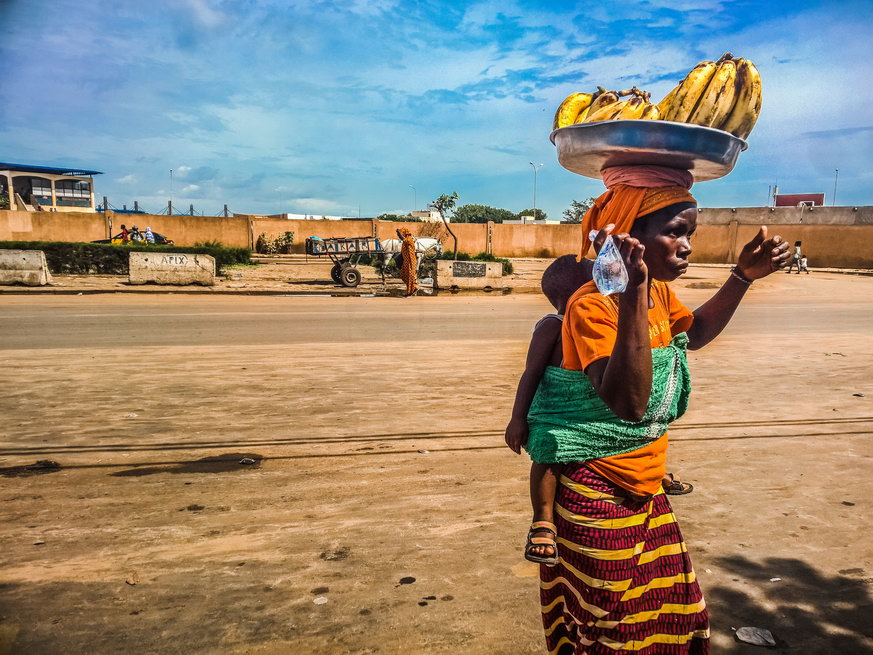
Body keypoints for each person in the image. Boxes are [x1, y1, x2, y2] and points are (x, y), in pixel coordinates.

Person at [536, 165, 789, 655]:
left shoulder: (657, 293)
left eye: (689, 233)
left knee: (676, 611)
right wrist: (630, 292)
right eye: (676, 232)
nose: (687, 245)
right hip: (597, 492)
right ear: (629, 239)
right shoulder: (593, 307)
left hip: (647, 488)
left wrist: (742, 278)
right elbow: (628, 405)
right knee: (614, 631)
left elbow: (689, 335)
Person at [505, 255, 594, 565]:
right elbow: (531, 373)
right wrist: (518, 418)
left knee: (628, 428)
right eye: (594, 281)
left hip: (593, 409)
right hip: (557, 412)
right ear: (575, 292)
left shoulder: (604, 319)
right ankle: (543, 519)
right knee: (547, 450)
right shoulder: (552, 325)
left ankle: (650, 472)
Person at [397, 227, 417, 296]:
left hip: (410, 261)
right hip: (406, 261)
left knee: (410, 276)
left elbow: (404, 239)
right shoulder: (405, 240)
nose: (398, 236)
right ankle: (413, 288)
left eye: (400, 234)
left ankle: (410, 292)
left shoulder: (409, 239)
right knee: (403, 275)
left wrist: (399, 233)